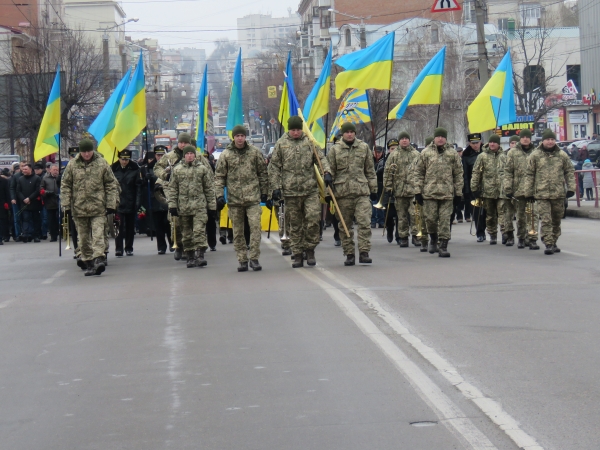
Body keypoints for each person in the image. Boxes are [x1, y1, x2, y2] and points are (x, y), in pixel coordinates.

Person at [269, 115, 331, 268]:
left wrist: (327, 172)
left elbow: (321, 159)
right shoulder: (281, 144)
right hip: (290, 192)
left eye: (298, 130)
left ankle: (310, 249)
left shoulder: (309, 143)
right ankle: (297, 253)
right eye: (293, 130)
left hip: (309, 190)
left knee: (313, 220)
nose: (295, 133)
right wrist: (275, 187)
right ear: (289, 130)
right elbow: (274, 167)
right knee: (294, 225)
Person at [60, 139, 119, 276]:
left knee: (98, 234)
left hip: (98, 207)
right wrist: (66, 205)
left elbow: (111, 184)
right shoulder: (72, 165)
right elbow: (66, 185)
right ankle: (88, 262)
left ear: (93, 150)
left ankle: (99, 258)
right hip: (79, 208)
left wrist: (111, 204)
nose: (86, 154)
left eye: (89, 151)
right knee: (83, 238)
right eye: (84, 151)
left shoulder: (101, 163)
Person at [215, 125, 269, 272]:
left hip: (253, 198)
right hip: (235, 200)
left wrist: (265, 193)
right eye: (237, 136)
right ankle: (242, 259)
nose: (240, 138)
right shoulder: (226, 155)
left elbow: (263, 174)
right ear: (233, 137)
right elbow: (219, 177)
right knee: (238, 231)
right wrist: (219, 195)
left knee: (255, 228)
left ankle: (254, 258)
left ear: (245, 137)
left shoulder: (255, 153)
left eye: (242, 136)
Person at [327, 122, 377, 265]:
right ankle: (349, 253)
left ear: (355, 133)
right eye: (347, 132)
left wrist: (373, 189)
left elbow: (370, 170)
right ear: (342, 134)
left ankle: (364, 252)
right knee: (344, 226)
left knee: (364, 222)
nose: (349, 134)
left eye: (352, 132)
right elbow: (329, 172)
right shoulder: (335, 150)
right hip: (342, 194)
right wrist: (328, 193)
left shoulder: (363, 147)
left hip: (361, 192)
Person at [412, 127, 464, 258]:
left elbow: (458, 174)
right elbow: (418, 173)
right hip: (430, 193)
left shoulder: (452, 154)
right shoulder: (425, 153)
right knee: (430, 220)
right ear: (434, 138)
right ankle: (433, 238)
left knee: (445, 220)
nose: (440, 138)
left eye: (443, 136)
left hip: (447, 194)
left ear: (446, 138)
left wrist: (458, 193)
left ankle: (443, 246)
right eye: (438, 136)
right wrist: (418, 191)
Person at [524, 129, 575, 255]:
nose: (550, 142)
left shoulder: (562, 155)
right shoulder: (535, 155)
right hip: (542, 194)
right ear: (543, 141)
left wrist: (571, 188)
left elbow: (569, 171)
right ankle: (548, 243)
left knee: (556, 219)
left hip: (558, 193)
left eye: (552, 139)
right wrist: (528, 192)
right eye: (548, 139)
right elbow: (529, 174)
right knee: (546, 220)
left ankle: (554, 240)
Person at [168, 145, 216, 268]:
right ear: (184, 156)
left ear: (195, 155)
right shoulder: (177, 170)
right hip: (183, 207)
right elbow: (173, 189)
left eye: (192, 154)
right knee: (187, 234)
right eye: (187, 154)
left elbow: (209, 189)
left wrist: (212, 206)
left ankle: (200, 256)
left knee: (199, 231)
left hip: (199, 206)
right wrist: (172, 205)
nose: (190, 156)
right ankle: (190, 256)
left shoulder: (202, 169)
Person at [153, 132, 192, 260]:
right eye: (181, 142)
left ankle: (188, 248)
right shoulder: (169, 156)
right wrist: (165, 176)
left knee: (189, 223)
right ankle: (178, 245)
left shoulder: (194, 156)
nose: (183, 145)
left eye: (185, 143)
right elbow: (157, 168)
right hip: (173, 192)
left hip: (191, 193)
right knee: (175, 222)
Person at [383, 132, 421, 247]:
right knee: (401, 216)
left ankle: (416, 236)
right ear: (399, 141)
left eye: (406, 138)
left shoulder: (416, 154)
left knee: (415, 215)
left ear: (409, 140)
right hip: (399, 190)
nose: (404, 140)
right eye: (402, 139)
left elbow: (422, 171)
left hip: (413, 190)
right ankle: (403, 237)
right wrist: (388, 187)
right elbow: (387, 172)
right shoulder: (393, 155)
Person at [503, 129, 540, 249]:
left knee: (533, 215)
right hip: (518, 189)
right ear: (520, 138)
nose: (525, 139)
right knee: (521, 216)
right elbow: (508, 172)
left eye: (527, 137)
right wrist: (508, 188)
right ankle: (521, 238)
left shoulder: (536, 152)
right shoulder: (513, 153)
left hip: (533, 190)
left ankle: (532, 239)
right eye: (523, 137)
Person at [470, 134, 506, 244]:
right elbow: (476, 172)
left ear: (498, 144)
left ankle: (505, 233)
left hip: (501, 191)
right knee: (490, 215)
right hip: (488, 191)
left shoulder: (504, 156)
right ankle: (492, 234)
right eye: (490, 142)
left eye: (494, 142)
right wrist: (474, 188)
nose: (492, 144)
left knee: (503, 213)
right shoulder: (482, 156)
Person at [111, 149, 142, 257]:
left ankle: (129, 247)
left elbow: (138, 187)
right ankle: (118, 248)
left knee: (130, 226)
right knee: (118, 226)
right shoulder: (113, 170)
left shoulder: (135, 169)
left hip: (130, 200)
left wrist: (137, 202)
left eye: (126, 159)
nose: (124, 161)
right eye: (122, 159)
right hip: (118, 202)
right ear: (119, 158)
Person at [145, 146, 172, 254]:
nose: (160, 157)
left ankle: (173, 243)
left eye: (162, 155)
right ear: (155, 155)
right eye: (158, 155)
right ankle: (161, 247)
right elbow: (143, 186)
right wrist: (145, 179)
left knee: (169, 223)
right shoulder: (149, 168)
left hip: (167, 198)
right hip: (155, 200)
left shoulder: (170, 166)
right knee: (158, 225)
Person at [462, 133, 486, 240]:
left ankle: (487, 229)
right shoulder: (466, 156)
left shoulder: (487, 152)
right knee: (477, 212)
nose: (476, 145)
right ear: (469, 143)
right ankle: (480, 232)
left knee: (487, 212)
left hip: (488, 187)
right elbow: (465, 175)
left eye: (477, 142)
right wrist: (467, 191)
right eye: (473, 143)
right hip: (474, 188)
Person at [16, 163, 42, 242]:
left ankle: (36, 236)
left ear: (30, 170)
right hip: (24, 203)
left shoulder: (36, 178)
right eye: (23, 169)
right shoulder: (20, 179)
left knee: (35, 219)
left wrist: (30, 198)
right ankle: (26, 235)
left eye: (26, 169)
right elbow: (18, 191)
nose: (24, 171)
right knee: (25, 219)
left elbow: (37, 190)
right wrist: (24, 199)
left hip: (34, 202)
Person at [40, 163, 60, 242]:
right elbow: (41, 190)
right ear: (50, 170)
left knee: (59, 219)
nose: (56, 171)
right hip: (50, 202)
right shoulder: (45, 179)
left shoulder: (61, 177)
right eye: (54, 170)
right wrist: (48, 192)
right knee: (51, 220)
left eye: (57, 170)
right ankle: (53, 235)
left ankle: (60, 233)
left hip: (59, 202)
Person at [371, 146, 385, 228]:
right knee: (373, 203)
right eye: (376, 153)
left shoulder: (384, 161)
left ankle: (381, 220)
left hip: (380, 183)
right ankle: (373, 220)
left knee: (381, 202)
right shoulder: (370, 160)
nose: (378, 154)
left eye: (379, 153)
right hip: (373, 183)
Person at [9, 162, 22, 241]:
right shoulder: (15, 176)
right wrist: (12, 198)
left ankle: (26, 233)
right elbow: (12, 188)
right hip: (16, 200)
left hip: (25, 199)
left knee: (26, 218)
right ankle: (17, 234)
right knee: (16, 218)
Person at [0, 170, 10, 244]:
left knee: (3, 221)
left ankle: (4, 236)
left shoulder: (4, 181)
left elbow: (7, 193)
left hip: (2, 203)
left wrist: (7, 203)